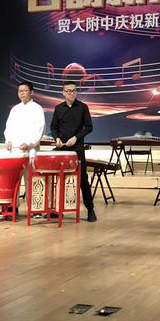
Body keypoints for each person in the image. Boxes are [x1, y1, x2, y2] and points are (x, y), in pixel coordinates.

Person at [50, 81, 96, 222]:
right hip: (62, 149)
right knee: (59, 179)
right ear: (63, 92)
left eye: (74, 90)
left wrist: (76, 138)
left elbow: (88, 127)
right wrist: (57, 138)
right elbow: (53, 127)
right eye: (68, 91)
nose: (71, 93)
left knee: (83, 179)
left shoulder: (82, 107)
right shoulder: (58, 108)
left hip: (77, 148)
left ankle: (90, 210)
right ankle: (57, 209)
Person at [4, 82, 45, 158]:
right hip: (15, 147)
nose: (22, 93)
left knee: (30, 164)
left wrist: (29, 143)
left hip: (30, 148)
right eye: (20, 91)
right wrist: (8, 140)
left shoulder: (37, 108)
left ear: (31, 92)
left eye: (25, 91)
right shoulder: (15, 109)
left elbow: (40, 128)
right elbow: (9, 126)